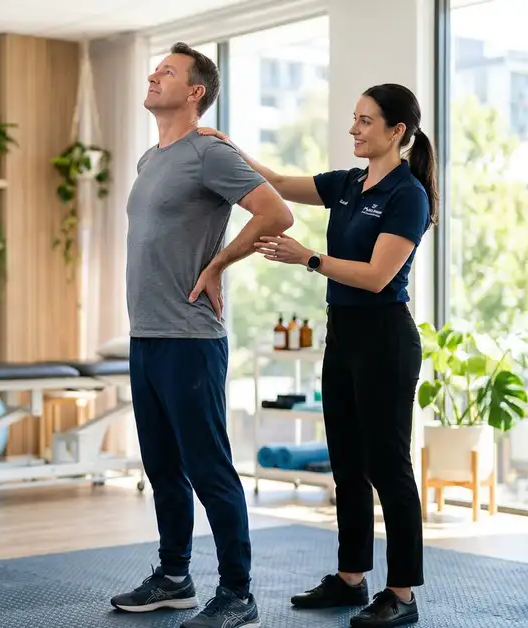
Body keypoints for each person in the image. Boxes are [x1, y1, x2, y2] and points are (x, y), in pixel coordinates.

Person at [198, 82, 435, 628]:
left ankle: (402, 594)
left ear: (397, 131)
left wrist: (308, 258)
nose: (354, 129)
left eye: (366, 121)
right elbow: (279, 183)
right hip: (343, 335)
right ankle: (351, 579)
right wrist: (228, 146)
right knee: (346, 464)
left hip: (385, 339)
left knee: (387, 467)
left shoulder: (407, 195)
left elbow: (377, 277)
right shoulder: (348, 184)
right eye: (355, 118)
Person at [109, 42, 293, 628]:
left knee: (209, 468)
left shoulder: (208, 153)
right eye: (154, 68)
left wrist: (219, 264)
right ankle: (174, 577)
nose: (153, 75)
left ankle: (238, 593)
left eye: (166, 71)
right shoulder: (150, 159)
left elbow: (276, 213)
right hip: (146, 334)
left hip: (190, 338)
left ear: (195, 92)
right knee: (162, 466)